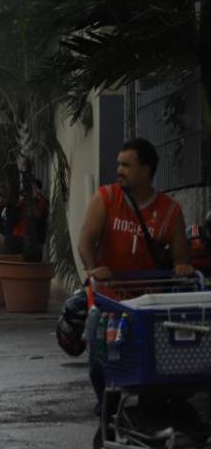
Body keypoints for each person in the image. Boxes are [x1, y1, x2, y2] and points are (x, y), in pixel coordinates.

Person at [78, 138, 192, 409]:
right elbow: (85, 239)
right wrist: (94, 267)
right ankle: (107, 406)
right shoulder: (106, 198)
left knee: (149, 366)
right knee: (100, 362)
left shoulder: (170, 211)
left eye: (126, 165)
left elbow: (181, 257)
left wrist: (182, 266)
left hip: (147, 304)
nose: (119, 170)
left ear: (146, 170)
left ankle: (145, 420)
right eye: (119, 164)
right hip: (109, 299)